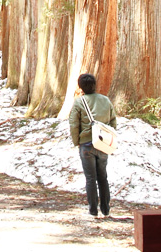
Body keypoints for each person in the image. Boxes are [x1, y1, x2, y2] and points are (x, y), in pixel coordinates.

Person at [68, 73, 117, 218]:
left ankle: (93, 209)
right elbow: (113, 121)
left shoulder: (79, 102)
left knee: (90, 178)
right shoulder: (106, 100)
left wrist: (77, 141)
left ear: (80, 87)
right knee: (103, 177)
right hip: (102, 143)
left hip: (86, 144)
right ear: (95, 84)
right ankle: (106, 209)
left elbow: (74, 124)